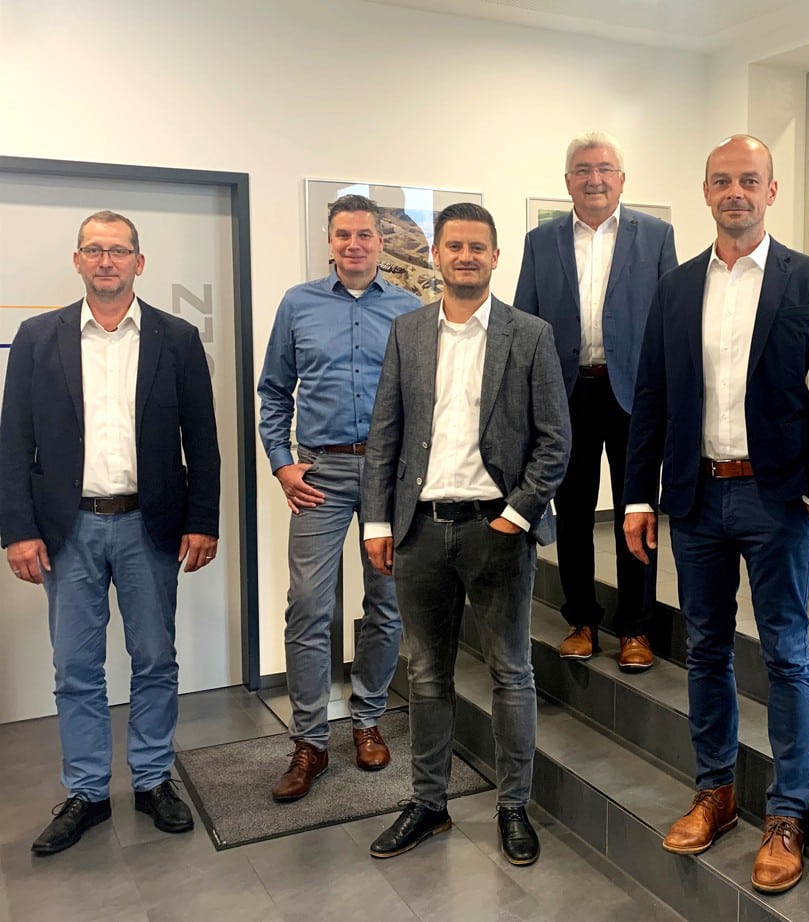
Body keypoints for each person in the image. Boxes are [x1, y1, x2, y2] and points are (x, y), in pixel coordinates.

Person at [623, 136, 809, 894]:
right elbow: (651, 397)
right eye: (722, 180)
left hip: (775, 499)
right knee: (705, 651)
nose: (735, 193)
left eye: (749, 180)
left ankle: (786, 813)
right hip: (695, 497)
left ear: (771, 190)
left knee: (786, 653)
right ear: (705, 191)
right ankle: (715, 791)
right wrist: (637, 494)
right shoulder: (676, 287)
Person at [0, 210, 220, 854]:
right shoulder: (37, 337)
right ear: (77, 260)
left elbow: (202, 440)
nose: (106, 261)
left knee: (154, 659)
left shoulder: (177, 338)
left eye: (118, 251)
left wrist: (202, 520)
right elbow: (12, 442)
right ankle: (87, 792)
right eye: (94, 250)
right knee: (75, 666)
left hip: (149, 525)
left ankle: (153, 780)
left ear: (138, 263)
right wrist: (17, 530)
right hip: (66, 530)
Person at [361, 202, 570, 866]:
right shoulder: (408, 333)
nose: (466, 256)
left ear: (495, 257)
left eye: (478, 247)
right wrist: (376, 521)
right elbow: (385, 435)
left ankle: (513, 807)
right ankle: (429, 804)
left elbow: (555, 441)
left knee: (511, 673)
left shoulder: (528, 335)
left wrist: (518, 513)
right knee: (426, 675)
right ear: (436, 255)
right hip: (420, 531)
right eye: (454, 246)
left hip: (497, 530)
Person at [257, 194, 420, 802]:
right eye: (343, 234)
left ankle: (368, 718)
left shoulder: (409, 310)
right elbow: (274, 391)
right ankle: (309, 740)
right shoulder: (297, 304)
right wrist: (282, 463)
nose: (354, 244)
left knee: (386, 602)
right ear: (330, 242)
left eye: (364, 235)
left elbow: (423, 398)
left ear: (381, 242)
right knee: (308, 605)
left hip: (389, 474)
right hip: (320, 473)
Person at [514, 130, 677, 671]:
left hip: (634, 395)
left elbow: (671, 321)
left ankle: (636, 628)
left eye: (605, 169)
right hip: (566, 395)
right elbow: (525, 323)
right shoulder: (541, 242)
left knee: (638, 511)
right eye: (583, 170)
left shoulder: (656, 236)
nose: (595, 179)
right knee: (574, 512)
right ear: (568, 182)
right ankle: (581, 620)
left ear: (622, 179)